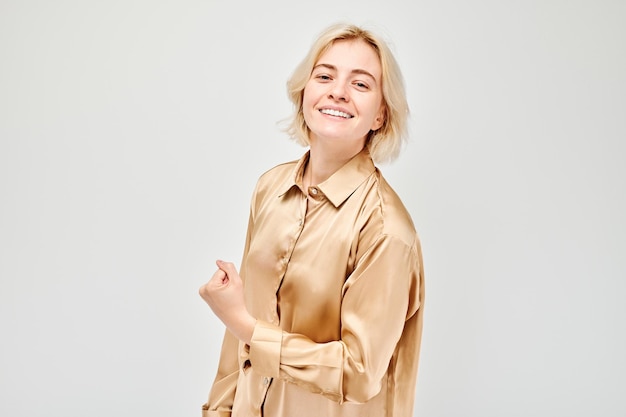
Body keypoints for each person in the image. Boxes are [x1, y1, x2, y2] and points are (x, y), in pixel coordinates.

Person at [199, 22, 425, 417]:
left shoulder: (387, 230)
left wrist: (246, 328)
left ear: (380, 116)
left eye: (361, 84)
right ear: (305, 92)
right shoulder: (270, 188)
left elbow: (359, 372)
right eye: (325, 76)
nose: (337, 91)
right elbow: (239, 334)